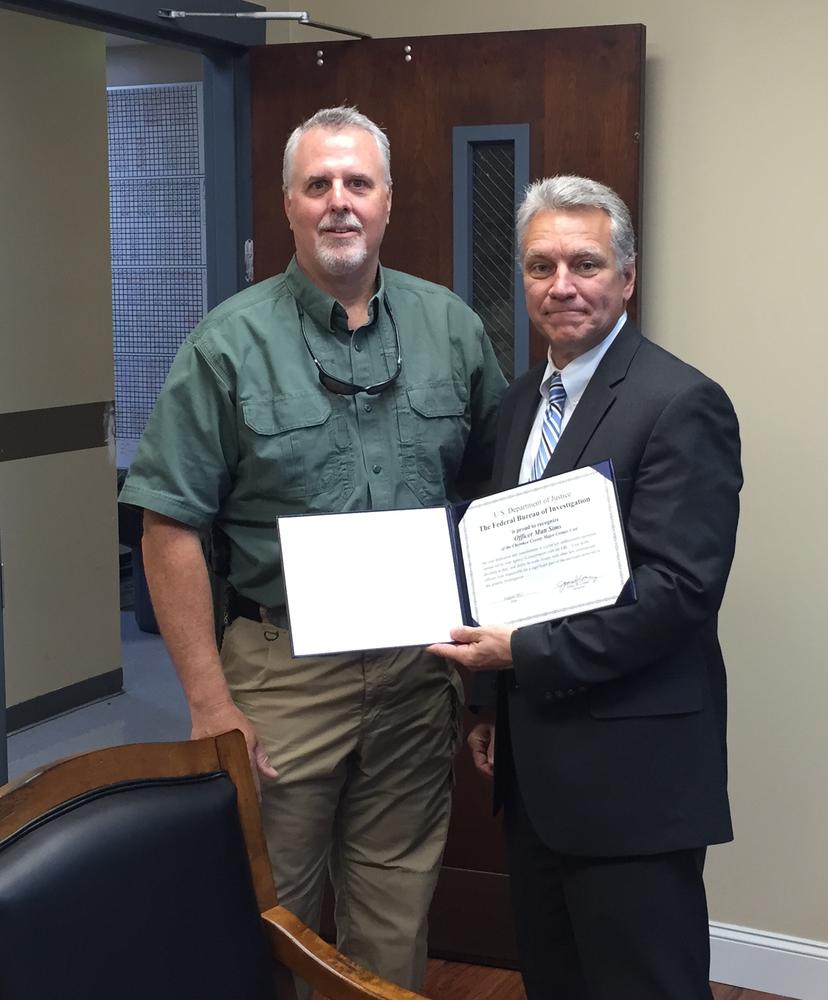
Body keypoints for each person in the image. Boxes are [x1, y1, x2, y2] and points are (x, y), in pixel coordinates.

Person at [119, 106, 506, 993]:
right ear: (288, 204)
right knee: (271, 910)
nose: (340, 203)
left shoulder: (451, 329)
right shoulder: (227, 343)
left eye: (357, 184)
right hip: (280, 673)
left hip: (418, 671)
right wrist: (210, 704)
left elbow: (489, 500)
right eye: (318, 184)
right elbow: (168, 526)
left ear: (387, 203)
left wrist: (485, 678)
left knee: (396, 911)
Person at [429, 175, 742, 1000]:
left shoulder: (681, 403)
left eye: (585, 263)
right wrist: (492, 703)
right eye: (540, 267)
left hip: (635, 776)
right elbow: (507, 569)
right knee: (556, 979)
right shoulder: (522, 401)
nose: (561, 285)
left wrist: (518, 657)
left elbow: (676, 594)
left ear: (628, 278)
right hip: (538, 768)